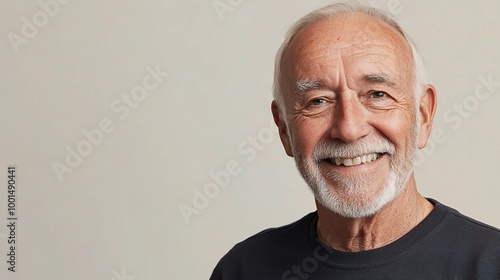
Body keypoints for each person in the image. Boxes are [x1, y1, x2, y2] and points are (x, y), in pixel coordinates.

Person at [210, 2, 500, 279]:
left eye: (377, 95)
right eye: (317, 101)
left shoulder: (491, 264)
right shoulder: (244, 269)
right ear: (284, 129)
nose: (349, 129)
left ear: (423, 116)